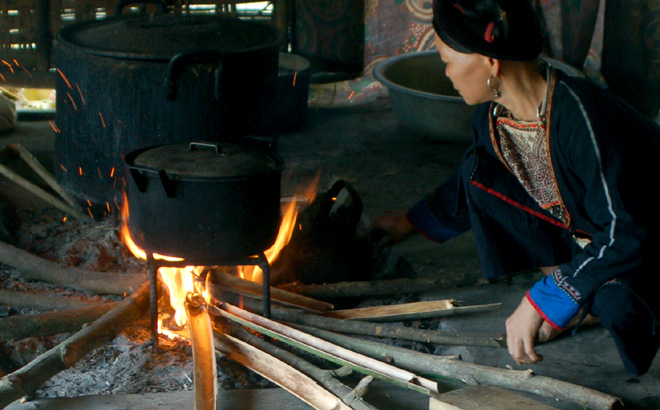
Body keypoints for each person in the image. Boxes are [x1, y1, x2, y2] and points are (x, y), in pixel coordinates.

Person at [372, 0, 660, 376]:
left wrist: (544, 299)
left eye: (447, 60)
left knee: (619, 302)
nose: (447, 73)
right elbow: (470, 183)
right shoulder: (494, 117)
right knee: (480, 175)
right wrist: (411, 221)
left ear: (491, 62)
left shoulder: (582, 118)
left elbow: (629, 232)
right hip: (597, 231)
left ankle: (582, 297)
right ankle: (576, 291)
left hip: (647, 236)